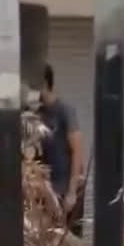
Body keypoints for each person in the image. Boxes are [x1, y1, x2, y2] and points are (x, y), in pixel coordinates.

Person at [38, 64, 85, 236]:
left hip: (68, 188)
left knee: (71, 240)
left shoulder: (64, 111)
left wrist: (72, 192)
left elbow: (77, 150)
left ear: (44, 83)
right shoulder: (37, 113)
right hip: (50, 192)